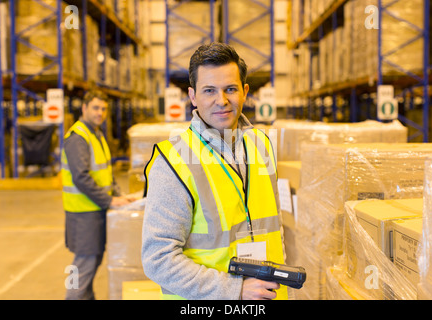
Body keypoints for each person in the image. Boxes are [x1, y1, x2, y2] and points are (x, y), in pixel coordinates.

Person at [142, 42, 289, 300]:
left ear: (244, 91)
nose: (221, 101)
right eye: (209, 90)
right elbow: (158, 258)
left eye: (230, 89)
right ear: (193, 96)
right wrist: (235, 290)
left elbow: (274, 224)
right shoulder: (173, 161)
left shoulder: (262, 144)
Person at [61, 90, 133, 300]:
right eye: (95, 108)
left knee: (90, 264)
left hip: (95, 211)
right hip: (83, 214)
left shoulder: (96, 134)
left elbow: (104, 174)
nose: (100, 113)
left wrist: (120, 195)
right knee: (83, 266)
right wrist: (110, 200)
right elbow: (81, 177)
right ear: (84, 108)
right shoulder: (78, 138)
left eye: (103, 109)